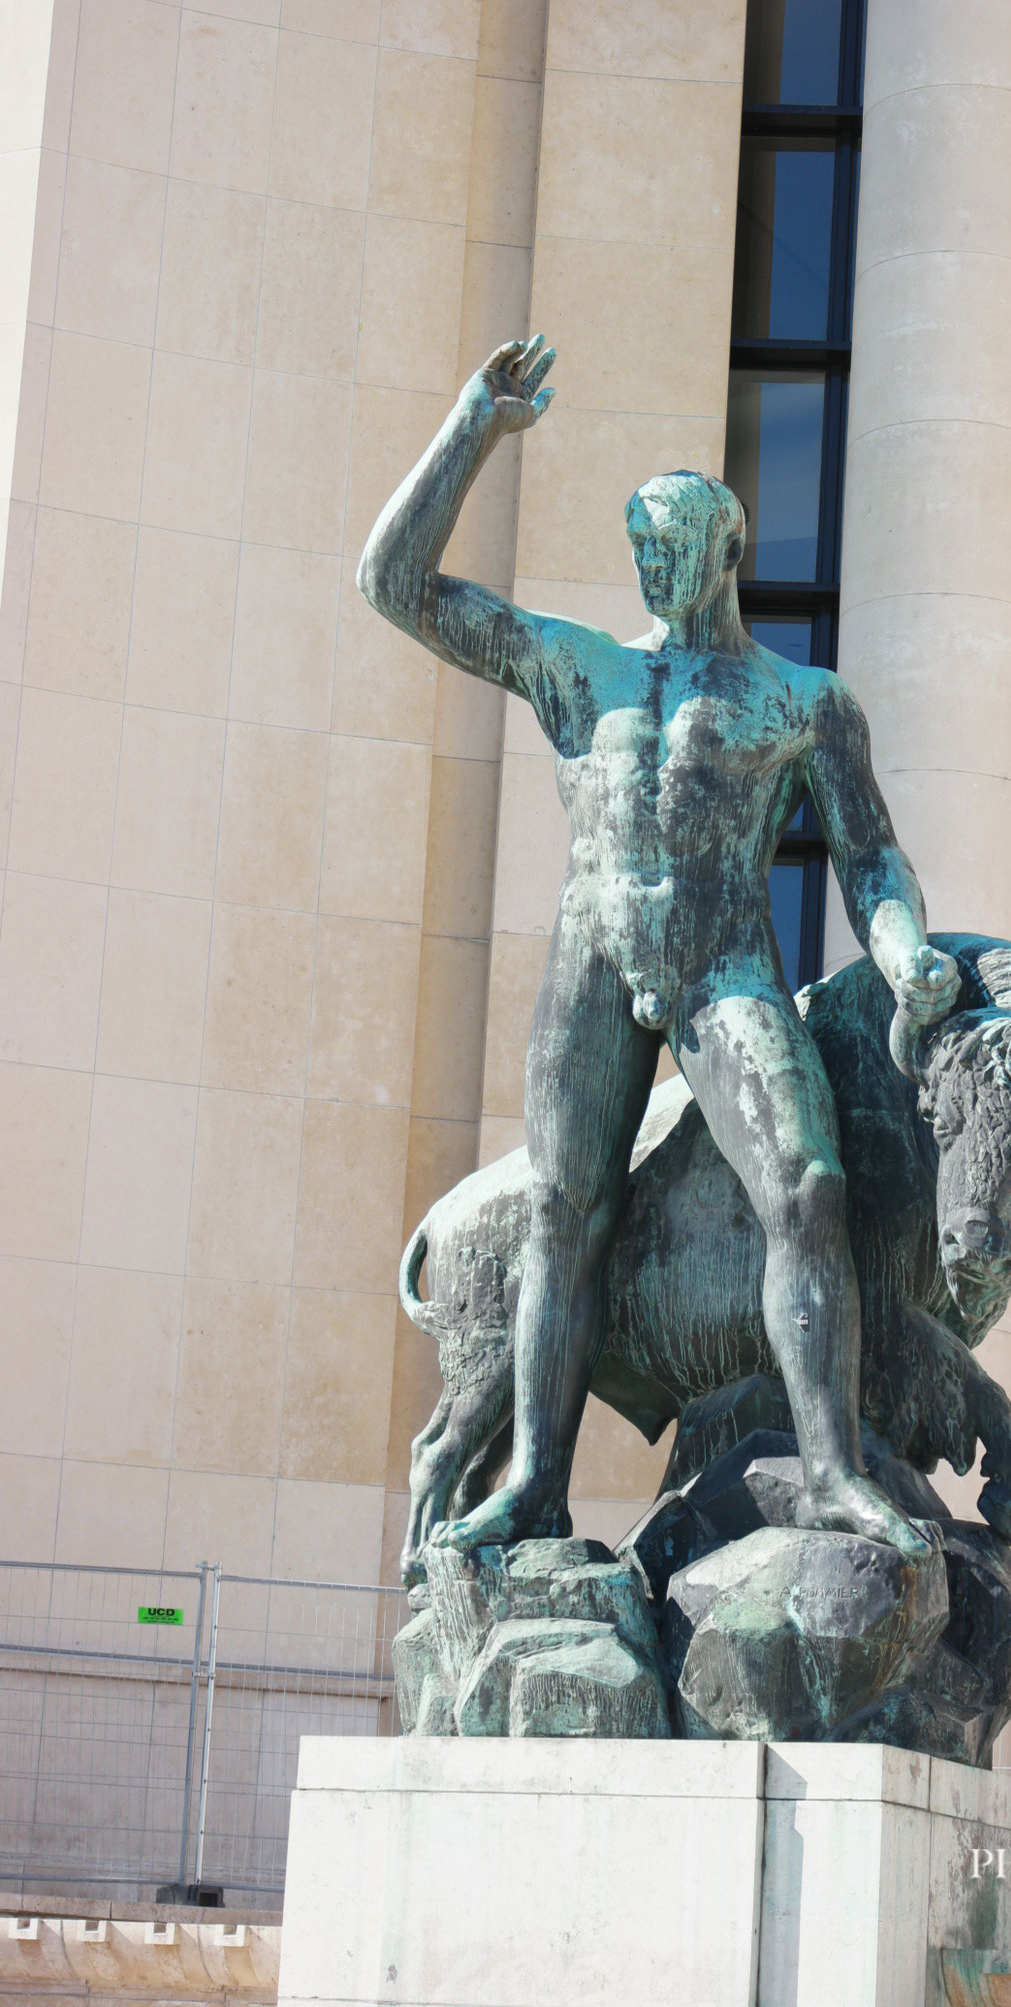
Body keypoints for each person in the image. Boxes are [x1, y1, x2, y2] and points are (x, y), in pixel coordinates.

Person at [359, 335, 960, 1559]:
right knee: (564, 1211)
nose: (652, 565)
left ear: (730, 551)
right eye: (637, 546)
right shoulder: (580, 666)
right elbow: (393, 581)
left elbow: (873, 860)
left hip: (723, 963)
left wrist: (905, 956)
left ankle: (835, 1467)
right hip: (592, 958)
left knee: (810, 1184)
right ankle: (533, 1477)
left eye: (672, 545)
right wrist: (474, 424)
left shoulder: (800, 700)